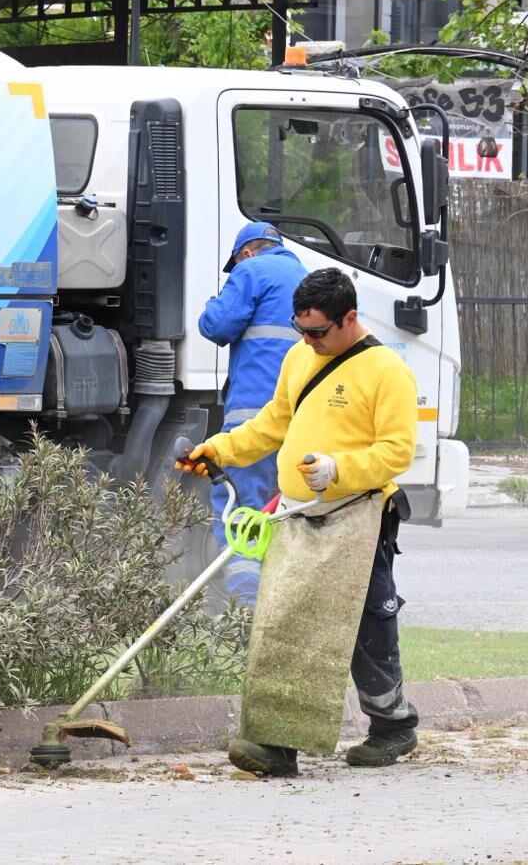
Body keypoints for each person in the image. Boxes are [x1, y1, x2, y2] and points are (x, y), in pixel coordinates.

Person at [179, 266, 419, 775]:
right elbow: (272, 425)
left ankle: (393, 725)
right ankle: (275, 744)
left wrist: (341, 469)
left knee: (363, 626)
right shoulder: (300, 358)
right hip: (298, 514)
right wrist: (218, 450)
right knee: (286, 621)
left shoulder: (386, 371)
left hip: (359, 515)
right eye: (300, 330)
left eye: (317, 332)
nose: (307, 341)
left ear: (349, 318)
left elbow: (397, 452)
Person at [196, 221, 305, 605]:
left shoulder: (252, 270)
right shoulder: (305, 277)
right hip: (300, 419)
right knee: (280, 510)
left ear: (246, 251)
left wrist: (212, 304)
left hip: (254, 413)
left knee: (237, 504)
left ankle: (248, 607)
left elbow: (217, 325)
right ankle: (278, 601)